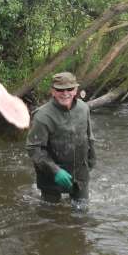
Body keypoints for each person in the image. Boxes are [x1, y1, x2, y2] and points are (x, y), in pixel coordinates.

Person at [26, 72, 96, 205]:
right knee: (50, 212)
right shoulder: (42, 116)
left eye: (69, 89)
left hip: (80, 173)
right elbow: (33, 148)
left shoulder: (84, 108)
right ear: (53, 91)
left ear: (75, 90)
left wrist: (92, 159)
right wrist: (56, 171)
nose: (65, 93)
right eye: (60, 90)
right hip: (50, 175)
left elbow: (89, 136)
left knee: (82, 211)